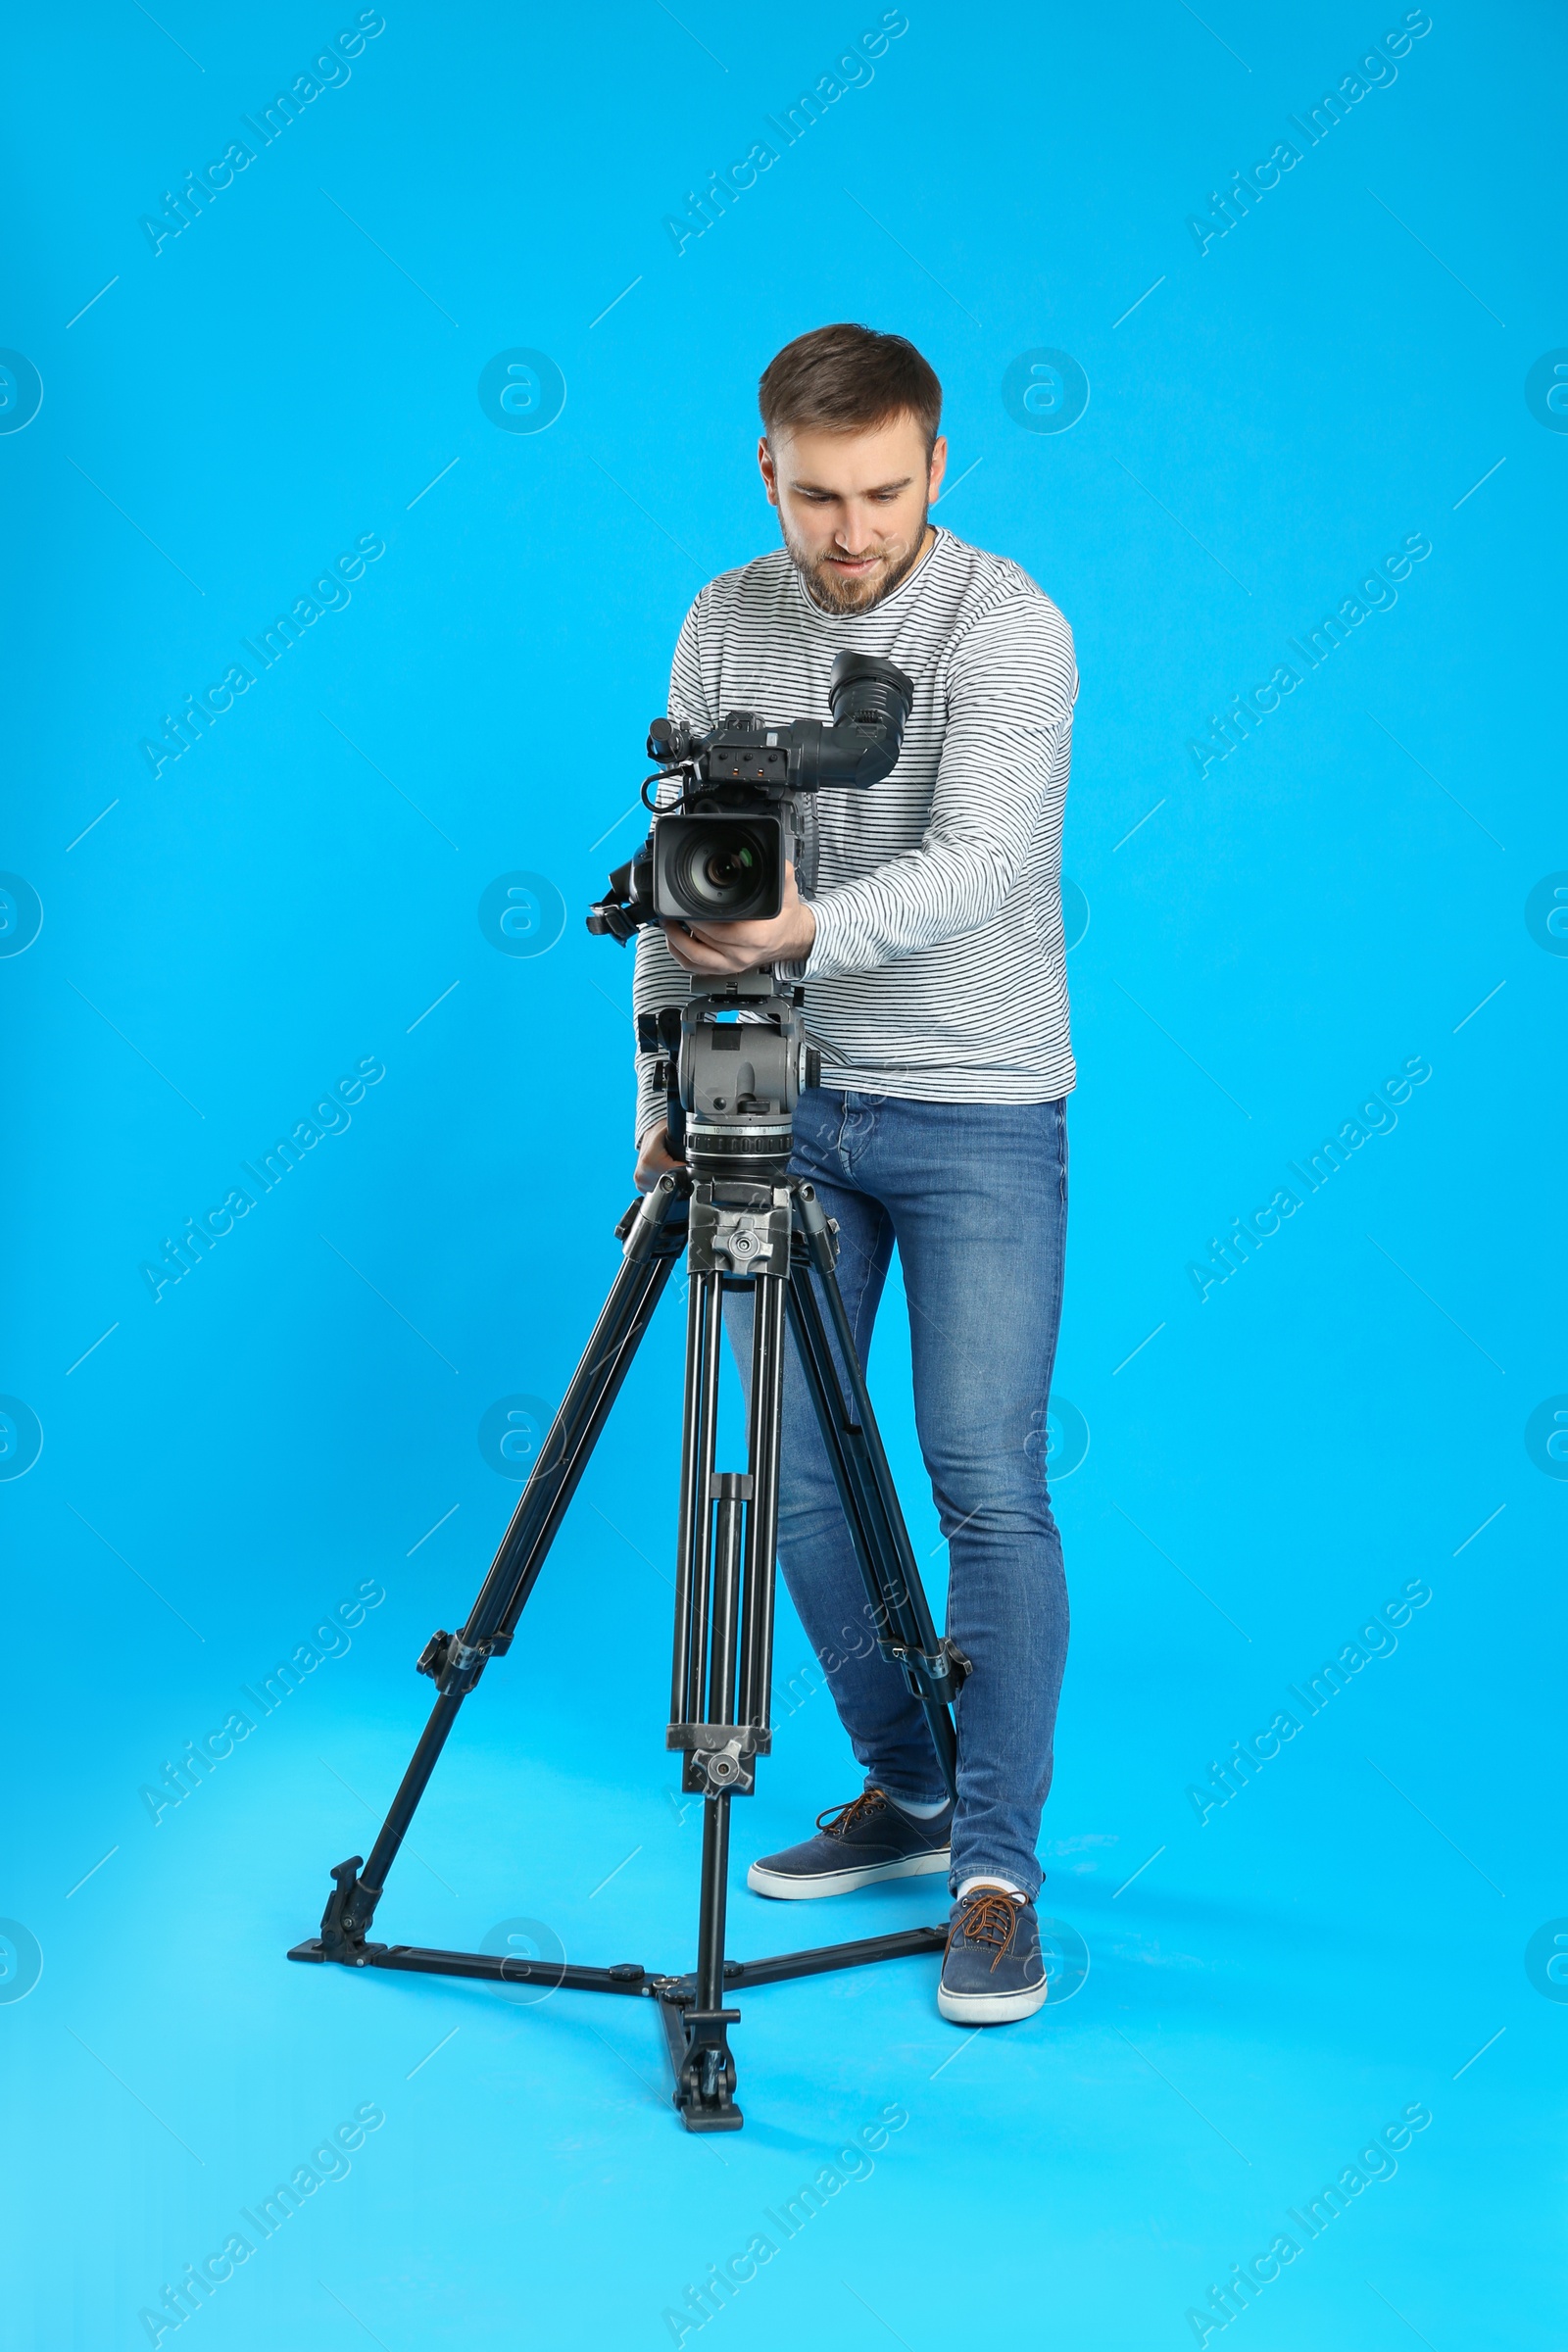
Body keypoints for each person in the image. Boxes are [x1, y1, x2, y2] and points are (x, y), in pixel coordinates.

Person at [631, 323, 1076, 2026]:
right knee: (794, 1478)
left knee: (983, 1479)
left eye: (883, 493)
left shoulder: (1009, 626)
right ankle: (907, 1786)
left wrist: (810, 927)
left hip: (974, 1104)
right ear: (769, 474)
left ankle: (993, 1870)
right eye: (817, 496)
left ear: (936, 468)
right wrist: (662, 1068)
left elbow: (986, 859)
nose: (850, 531)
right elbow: (683, 863)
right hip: (781, 1094)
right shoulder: (725, 611)